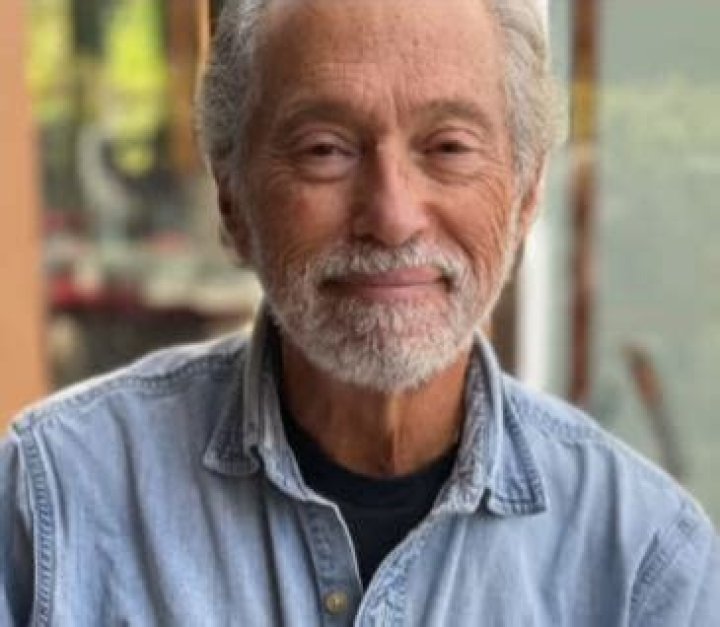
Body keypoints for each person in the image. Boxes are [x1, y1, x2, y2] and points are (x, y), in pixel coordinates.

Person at [1, 0, 718, 624]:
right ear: (232, 199)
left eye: (448, 147)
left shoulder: (644, 560)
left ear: (526, 194)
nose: (393, 217)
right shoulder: (56, 498)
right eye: (326, 150)